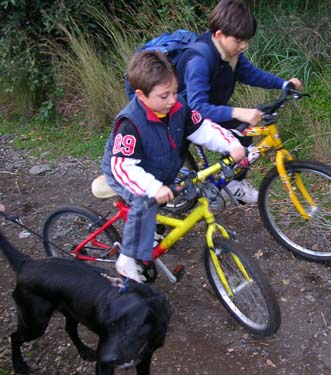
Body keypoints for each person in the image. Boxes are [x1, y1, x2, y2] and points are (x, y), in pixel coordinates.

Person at [102, 50, 246, 282]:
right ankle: (128, 258)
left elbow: (203, 129)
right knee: (144, 200)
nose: (172, 100)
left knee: (170, 190)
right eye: (163, 95)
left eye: (175, 92)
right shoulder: (130, 123)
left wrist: (229, 144)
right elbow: (123, 167)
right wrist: (153, 187)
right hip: (127, 171)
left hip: (159, 166)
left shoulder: (177, 107)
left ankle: (153, 232)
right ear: (141, 95)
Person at [175, 0, 303, 203]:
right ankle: (154, 225)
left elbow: (251, 74)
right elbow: (196, 108)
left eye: (246, 40)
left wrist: (283, 84)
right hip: (181, 116)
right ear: (219, 35)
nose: (244, 46)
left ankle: (233, 184)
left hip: (210, 108)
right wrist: (236, 112)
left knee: (243, 134)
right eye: (239, 40)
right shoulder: (199, 60)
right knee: (165, 170)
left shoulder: (230, 52)